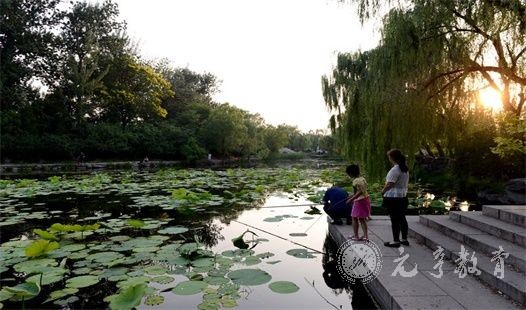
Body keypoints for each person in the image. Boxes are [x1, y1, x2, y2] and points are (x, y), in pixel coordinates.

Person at [382, 149, 410, 247]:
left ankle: (396, 241)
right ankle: (404, 239)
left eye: (389, 157)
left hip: (393, 197)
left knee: (394, 219)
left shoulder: (395, 169)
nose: (388, 158)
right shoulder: (404, 169)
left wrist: (383, 191)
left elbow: (390, 184)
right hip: (403, 196)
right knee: (402, 218)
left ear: (392, 158)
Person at [345, 164, 371, 241]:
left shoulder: (355, 181)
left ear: (350, 173)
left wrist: (351, 199)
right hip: (365, 199)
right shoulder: (362, 179)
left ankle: (356, 236)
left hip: (359, 201)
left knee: (354, 217)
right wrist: (351, 196)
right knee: (362, 218)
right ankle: (366, 236)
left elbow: (359, 192)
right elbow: (362, 191)